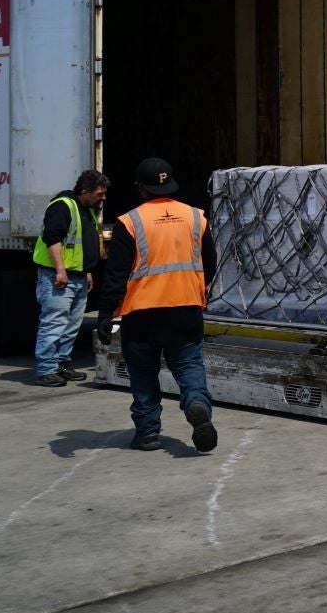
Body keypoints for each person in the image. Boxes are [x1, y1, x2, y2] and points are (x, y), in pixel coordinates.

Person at [97, 157, 218, 453]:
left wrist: (105, 314)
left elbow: (116, 274)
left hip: (142, 316)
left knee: (143, 373)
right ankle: (197, 404)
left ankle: (148, 433)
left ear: (140, 189)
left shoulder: (130, 222)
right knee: (189, 365)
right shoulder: (195, 217)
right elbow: (211, 263)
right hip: (186, 310)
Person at [31, 170, 108, 387]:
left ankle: (62, 364)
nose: (103, 198)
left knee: (71, 324)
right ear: (85, 191)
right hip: (59, 278)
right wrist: (60, 271)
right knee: (54, 322)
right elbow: (52, 239)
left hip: (78, 276)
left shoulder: (87, 208)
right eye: (99, 194)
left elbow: (83, 243)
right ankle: (46, 369)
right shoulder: (62, 206)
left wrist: (87, 271)